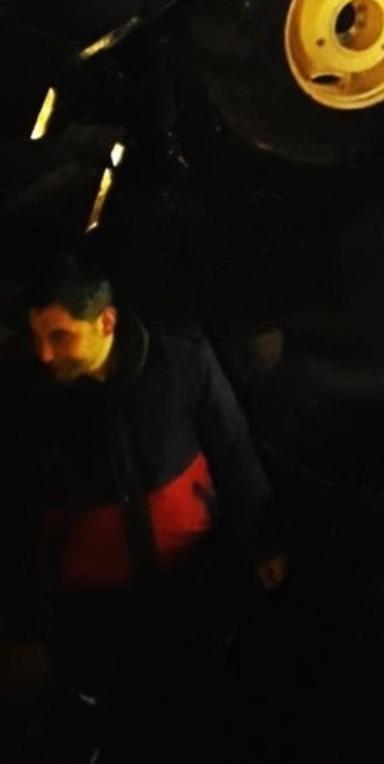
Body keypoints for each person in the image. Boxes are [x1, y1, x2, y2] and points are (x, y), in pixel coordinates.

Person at [10, 252, 285, 759]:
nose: (44, 355)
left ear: (106, 322)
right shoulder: (34, 399)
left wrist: (260, 538)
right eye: (37, 338)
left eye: (61, 336)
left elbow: (230, 445)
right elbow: (22, 508)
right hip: (93, 600)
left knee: (186, 700)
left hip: (185, 576)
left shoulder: (179, 360)